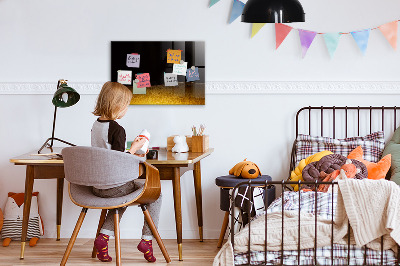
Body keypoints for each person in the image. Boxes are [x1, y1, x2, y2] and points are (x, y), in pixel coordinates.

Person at [91, 81, 161, 263]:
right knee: (156, 194)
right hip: (114, 186)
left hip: (97, 186)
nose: (127, 109)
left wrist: (130, 149)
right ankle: (147, 240)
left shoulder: (96, 125)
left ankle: (103, 238)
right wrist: (135, 149)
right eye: (127, 105)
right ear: (118, 105)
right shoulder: (117, 129)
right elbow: (118, 161)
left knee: (121, 198)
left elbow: (108, 154)